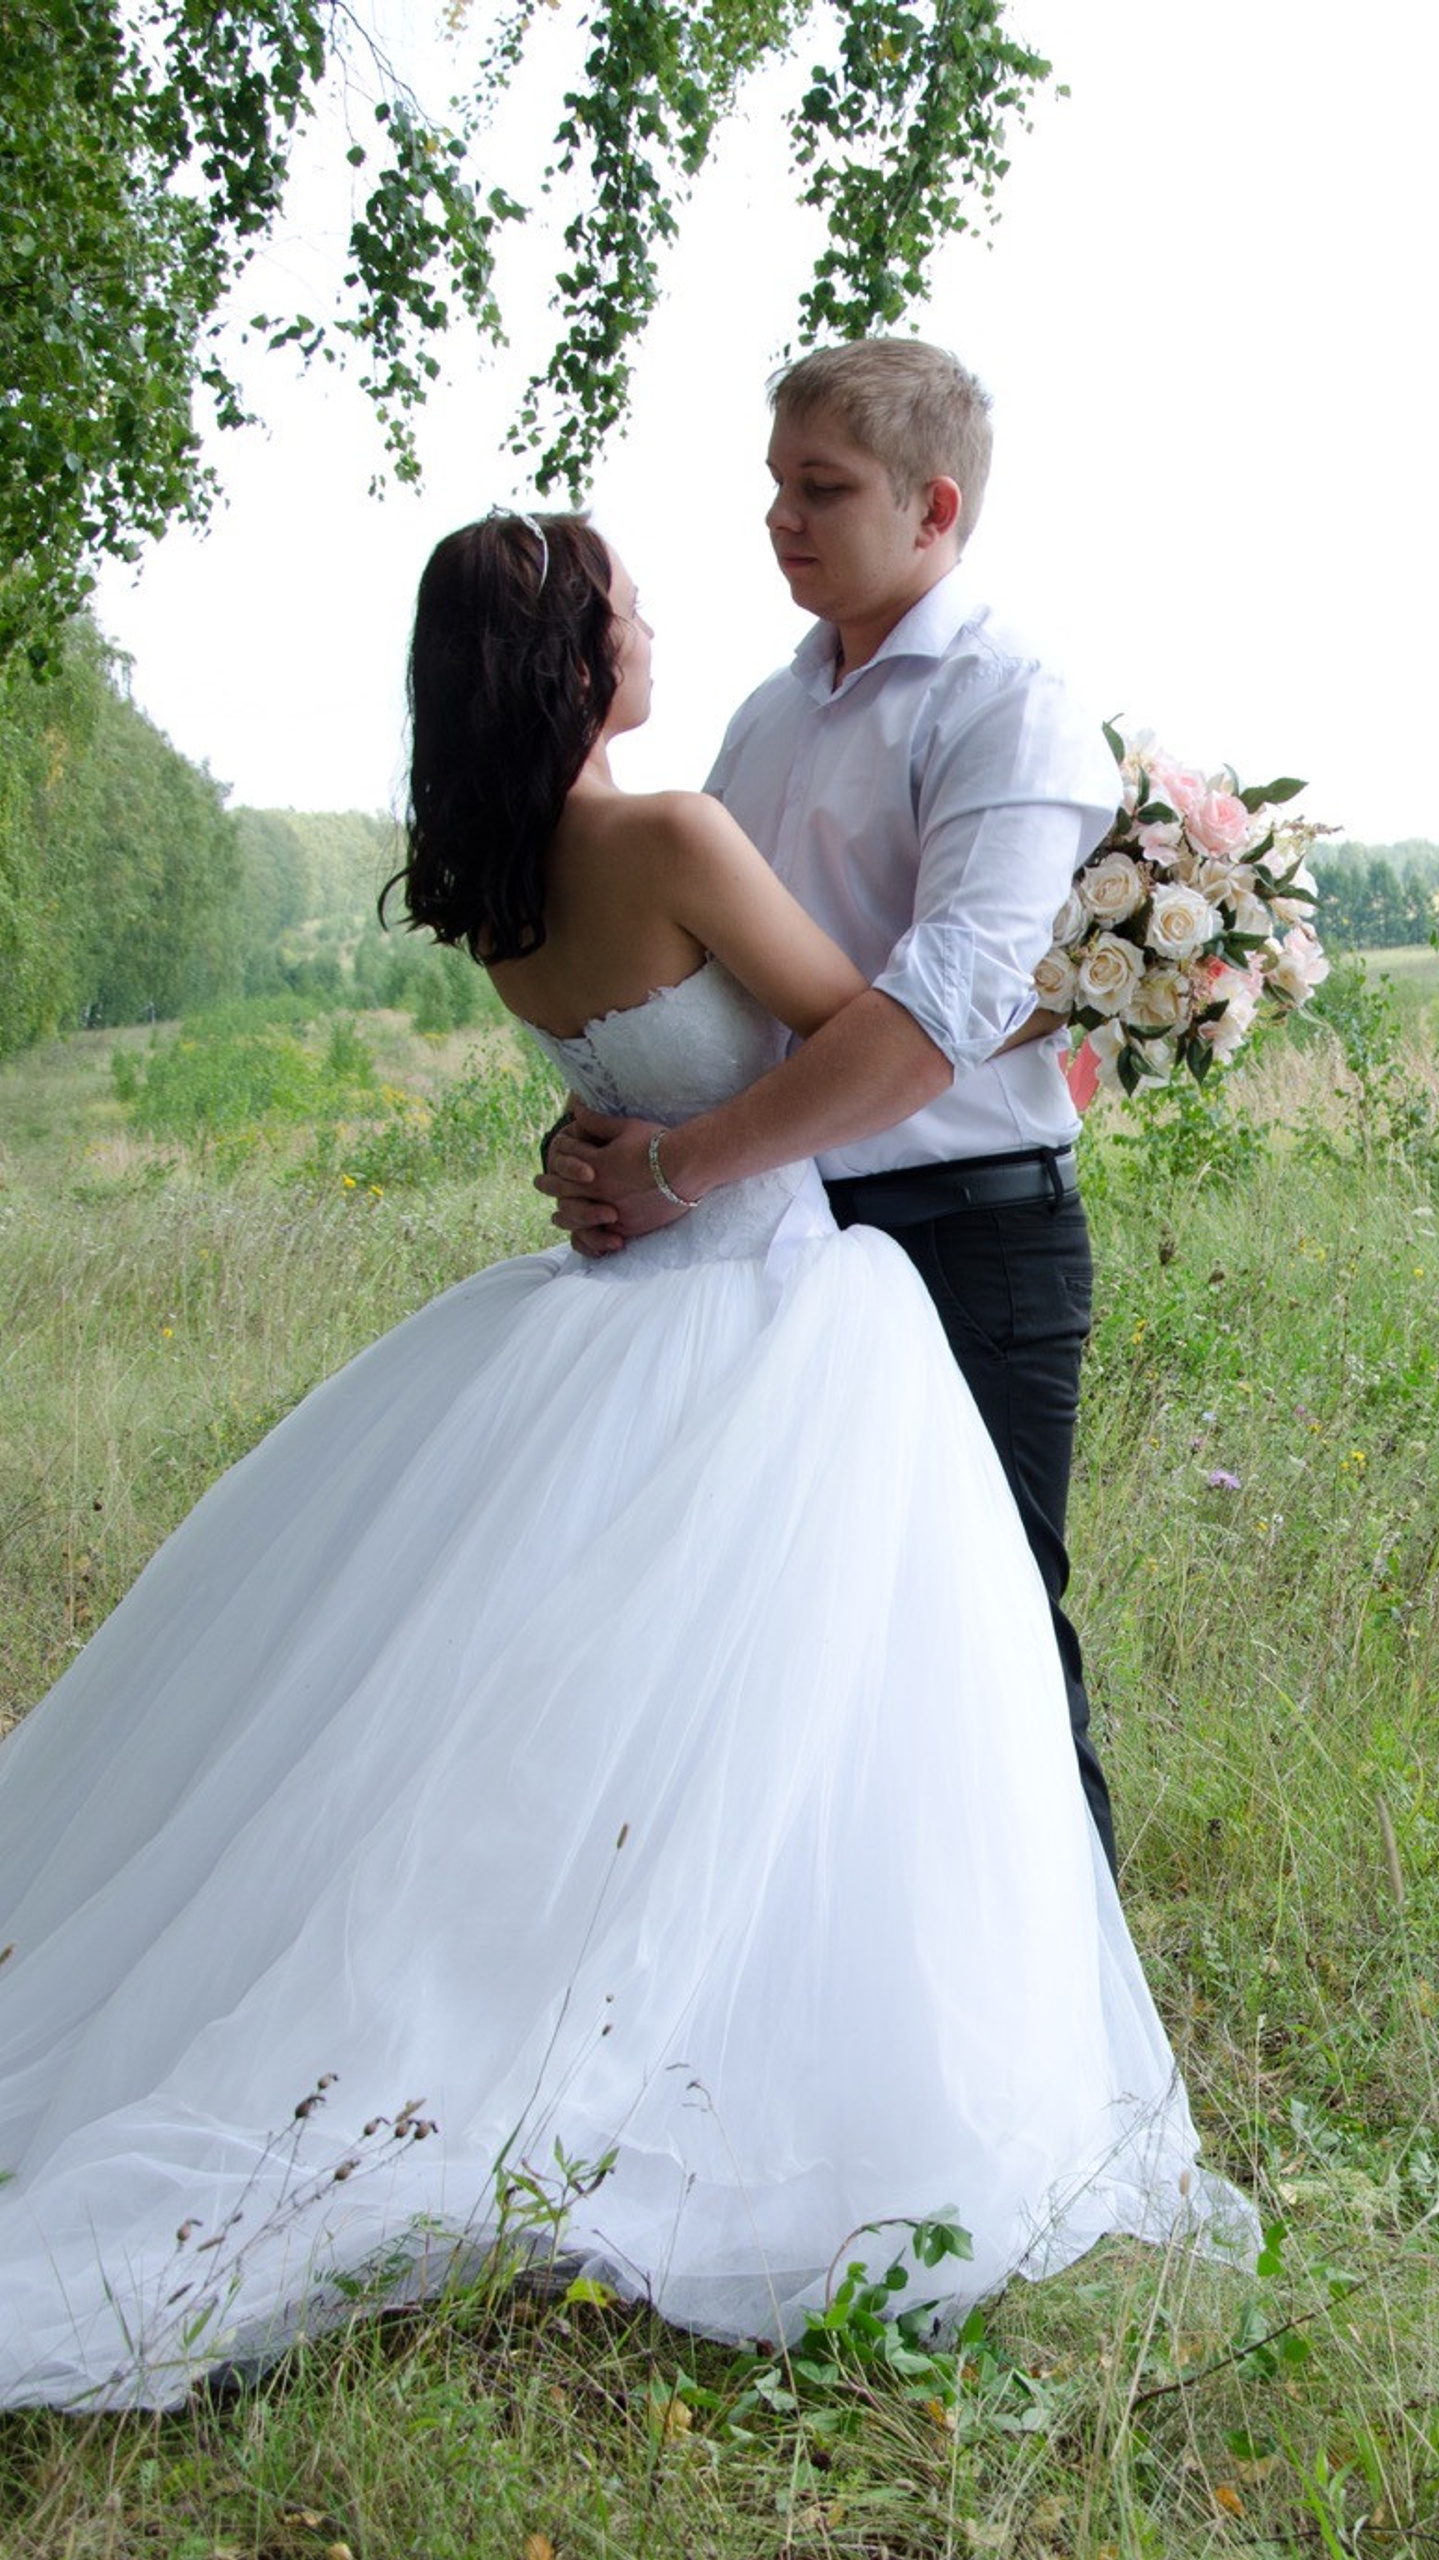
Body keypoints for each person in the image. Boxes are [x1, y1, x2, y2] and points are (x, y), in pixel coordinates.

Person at [0, 511, 1253, 2414]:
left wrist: (636, 1141)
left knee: (579, 1702)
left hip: (621, 1295)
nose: (665, 613)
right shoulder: (667, 833)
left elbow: (638, 1060)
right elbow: (864, 1030)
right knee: (822, 1695)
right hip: (767, 1292)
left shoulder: (504, 881)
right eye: (627, 603)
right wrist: (1073, 982)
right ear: (578, 658)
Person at [540, 340, 1123, 1868]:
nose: (782, 522)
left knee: (984, 1632)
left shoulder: (1009, 703)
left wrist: (682, 1165)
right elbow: (697, 986)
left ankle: (1076, 2047)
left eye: (824, 489)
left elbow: (942, 1017)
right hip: (769, 1245)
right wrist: (609, 1119)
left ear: (935, 509)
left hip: (960, 1233)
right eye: (775, 489)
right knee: (773, 1643)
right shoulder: (766, 717)